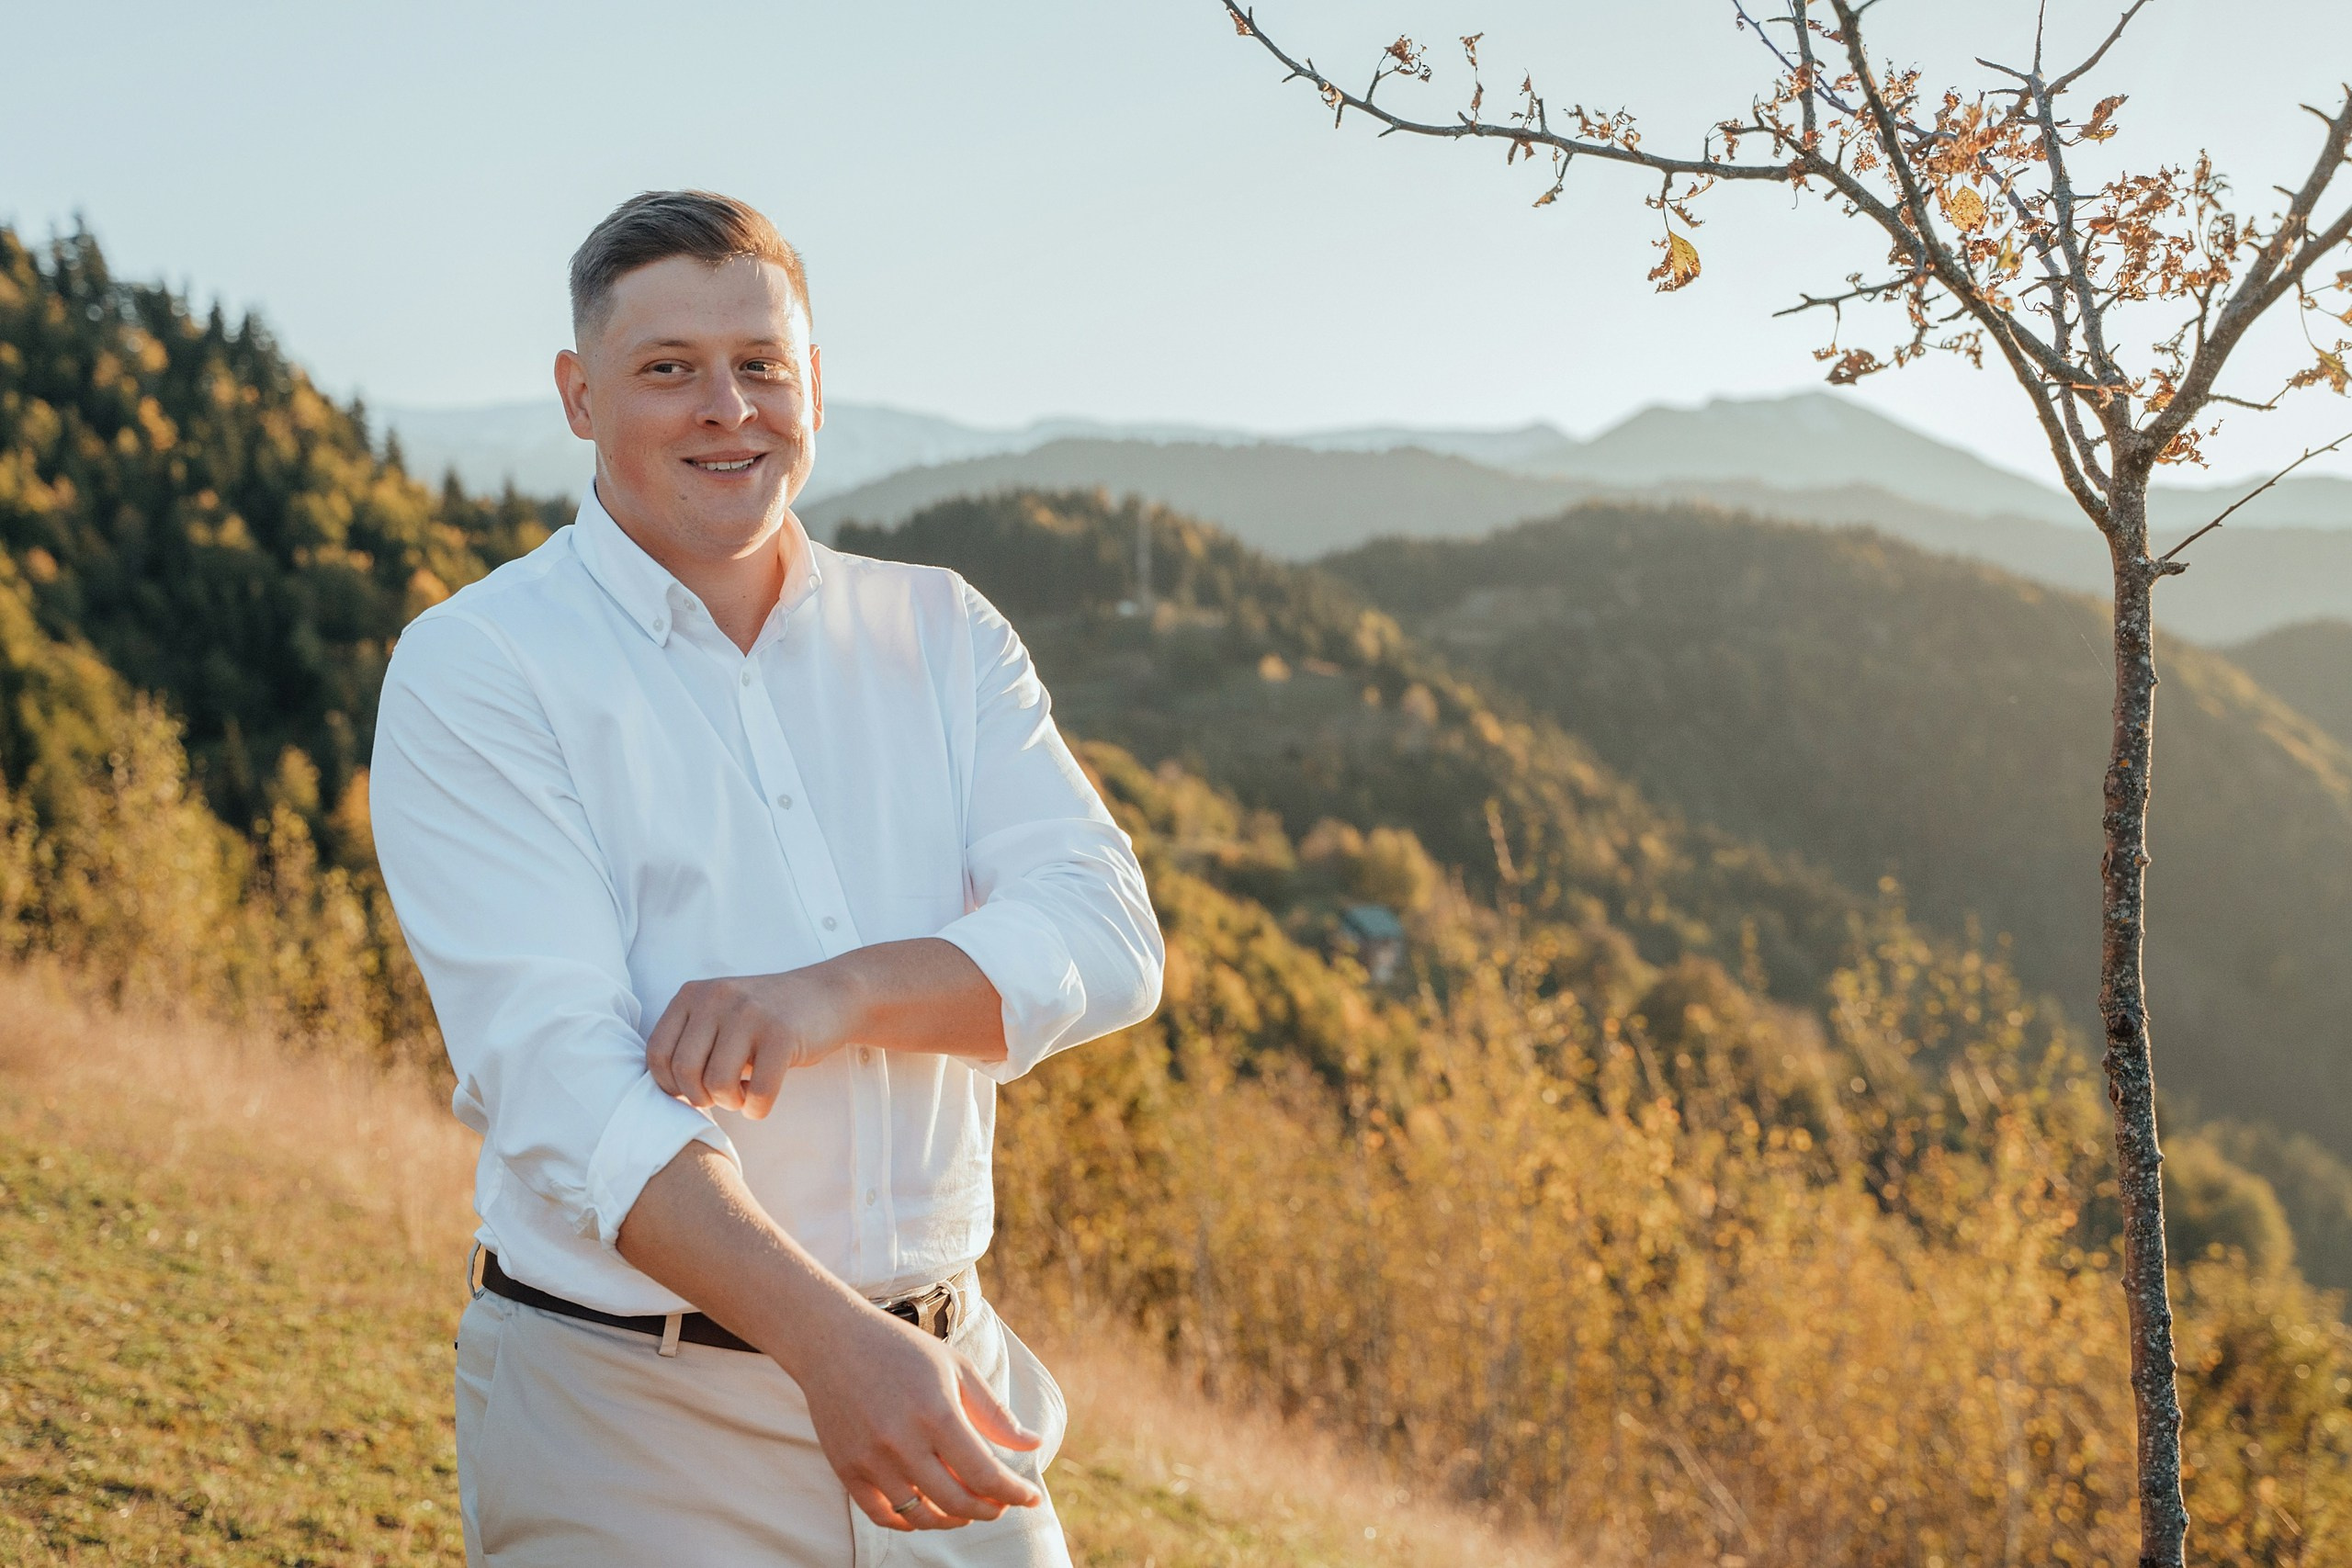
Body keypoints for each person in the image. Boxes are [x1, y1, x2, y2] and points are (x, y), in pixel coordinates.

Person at [369, 188, 1164, 1566]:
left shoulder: (940, 630)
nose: (725, 408)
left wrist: (832, 997)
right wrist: (825, 1343)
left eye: (761, 367)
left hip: (945, 1396)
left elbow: (1106, 936)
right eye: (667, 369)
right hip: (634, 1422)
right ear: (578, 394)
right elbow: (562, 1081)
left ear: (813, 385)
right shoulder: (480, 667)